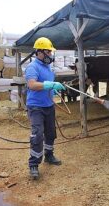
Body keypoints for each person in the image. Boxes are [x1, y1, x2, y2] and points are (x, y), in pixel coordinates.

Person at [25, 37, 66, 180]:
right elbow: (32, 85)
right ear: (40, 52)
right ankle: (34, 164)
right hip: (36, 106)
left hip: (48, 105)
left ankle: (49, 155)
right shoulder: (32, 67)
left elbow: (48, 86)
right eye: (48, 51)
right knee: (38, 134)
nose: (50, 54)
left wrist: (54, 89)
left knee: (50, 132)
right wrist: (49, 85)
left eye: (50, 51)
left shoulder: (48, 68)